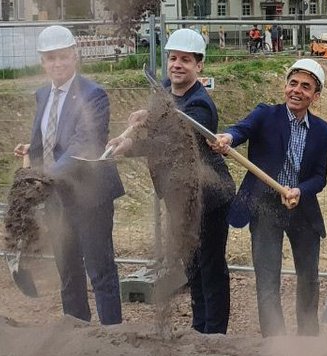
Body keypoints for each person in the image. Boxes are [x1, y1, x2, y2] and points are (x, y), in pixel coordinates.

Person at [108, 28, 235, 333]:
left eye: (186, 60)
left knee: (210, 266)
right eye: (173, 58)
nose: (177, 65)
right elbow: (161, 113)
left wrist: (130, 147)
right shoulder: (165, 89)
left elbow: (171, 144)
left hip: (208, 196)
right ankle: (198, 328)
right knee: (191, 265)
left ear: (199, 66)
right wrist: (145, 114)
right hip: (180, 197)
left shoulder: (201, 106)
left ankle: (215, 335)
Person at [212, 58, 327, 336]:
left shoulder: (322, 131)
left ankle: (308, 342)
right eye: (293, 83)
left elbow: (320, 176)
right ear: (284, 87)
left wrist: (300, 191)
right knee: (267, 280)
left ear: (315, 95)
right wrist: (228, 138)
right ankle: (274, 344)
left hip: (301, 208)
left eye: (306, 86)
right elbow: (241, 130)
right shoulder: (266, 114)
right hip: (265, 206)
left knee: (309, 279)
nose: (297, 90)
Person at [12, 25, 123, 325]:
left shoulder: (94, 95)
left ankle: (113, 337)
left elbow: (83, 144)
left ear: (75, 56)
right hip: (57, 200)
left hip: (90, 196)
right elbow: (53, 139)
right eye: (51, 58)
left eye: (63, 57)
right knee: (68, 271)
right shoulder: (43, 94)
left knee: (100, 272)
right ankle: (76, 336)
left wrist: (44, 177)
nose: (58, 64)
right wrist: (32, 151)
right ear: (42, 61)